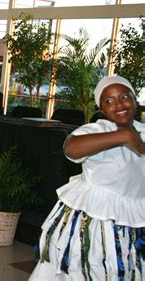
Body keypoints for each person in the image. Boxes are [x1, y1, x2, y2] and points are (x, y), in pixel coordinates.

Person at [29, 75, 145, 280]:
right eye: (109, 101)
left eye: (125, 96)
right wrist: (123, 136)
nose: (119, 104)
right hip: (95, 222)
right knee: (89, 269)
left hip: (132, 220)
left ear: (135, 99)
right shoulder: (99, 129)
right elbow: (71, 148)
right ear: (101, 109)